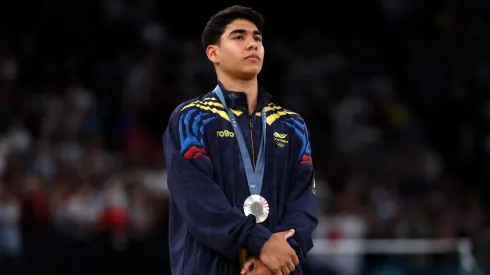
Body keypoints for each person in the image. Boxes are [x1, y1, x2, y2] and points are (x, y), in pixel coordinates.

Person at [163, 5, 318, 275]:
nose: (252, 44)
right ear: (214, 53)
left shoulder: (292, 125)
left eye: (257, 38)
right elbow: (199, 201)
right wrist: (263, 244)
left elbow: (304, 204)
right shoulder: (192, 118)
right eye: (239, 37)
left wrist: (275, 259)